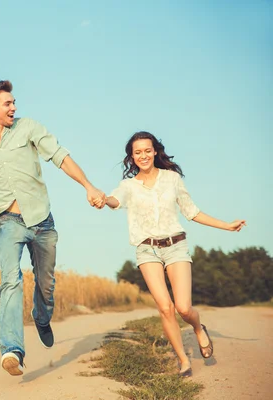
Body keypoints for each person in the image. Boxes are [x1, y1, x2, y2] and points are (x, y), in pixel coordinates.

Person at [0, 80, 106, 376]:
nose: (14, 107)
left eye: (13, 103)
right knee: (10, 280)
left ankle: (41, 315)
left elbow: (60, 156)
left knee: (46, 283)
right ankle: (12, 350)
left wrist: (88, 186)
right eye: (7, 103)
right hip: (6, 220)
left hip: (41, 219)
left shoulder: (29, 128)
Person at [104, 131, 246, 377]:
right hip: (146, 249)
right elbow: (115, 200)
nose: (143, 155)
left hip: (176, 246)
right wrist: (103, 199)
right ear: (132, 157)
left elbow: (192, 212)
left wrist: (227, 225)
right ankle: (183, 361)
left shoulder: (172, 179)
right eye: (137, 152)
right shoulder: (128, 186)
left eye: (147, 150)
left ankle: (198, 328)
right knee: (165, 308)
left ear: (156, 151)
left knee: (182, 307)